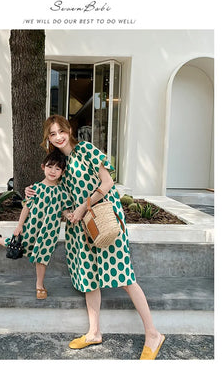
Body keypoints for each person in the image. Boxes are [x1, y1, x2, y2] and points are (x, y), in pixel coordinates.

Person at [25, 115, 165, 359]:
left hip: (104, 219)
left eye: (61, 131)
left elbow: (108, 181)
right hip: (80, 227)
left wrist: (83, 206)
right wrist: (32, 191)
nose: (58, 137)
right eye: (52, 134)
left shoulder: (86, 150)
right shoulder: (60, 163)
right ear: (47, 138)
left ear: (69, 130)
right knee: (89, 278)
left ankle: (153, 333)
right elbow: (55, 193)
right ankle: (94, 333)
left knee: (123, 275)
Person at [0, 149, 73, 300]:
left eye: (58, 168)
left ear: (62, 172)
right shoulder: (35, 189)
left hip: (50, 231)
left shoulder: (62, 192)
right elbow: (26, 207)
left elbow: (64, 209)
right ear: (43, 167)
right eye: (50, 166)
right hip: (32, 227)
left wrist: (68, 215)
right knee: (21, 244)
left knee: (42, 256)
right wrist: (19, 225)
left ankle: (39, 285)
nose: (53, 171)